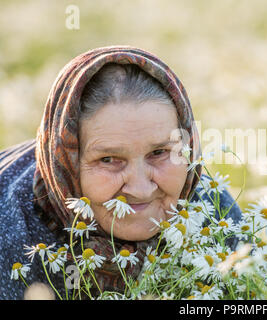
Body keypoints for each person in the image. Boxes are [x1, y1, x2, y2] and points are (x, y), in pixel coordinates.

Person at [0, 45, 242, 299]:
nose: (140, 188)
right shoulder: (10, 229)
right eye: (108, 159)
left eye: (159, 153)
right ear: (65, 163)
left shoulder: (212, 214)